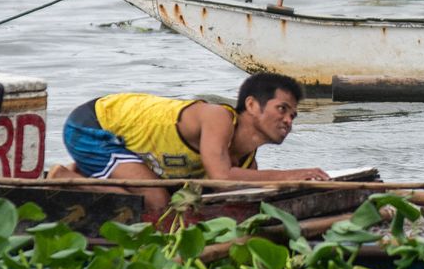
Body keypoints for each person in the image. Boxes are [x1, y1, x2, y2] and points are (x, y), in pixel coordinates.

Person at [50, 72, 330, 216]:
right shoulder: (217, 117)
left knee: (170, 196)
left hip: (127, 146)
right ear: (252, 105)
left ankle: (85, 173)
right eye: (282, 109)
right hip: (92, 126)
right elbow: (222, 178)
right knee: (157, 199)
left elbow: (233, 186)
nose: (288, 120)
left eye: (293, 115)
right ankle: (64, 178)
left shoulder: (246, 159)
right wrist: (294, 174)